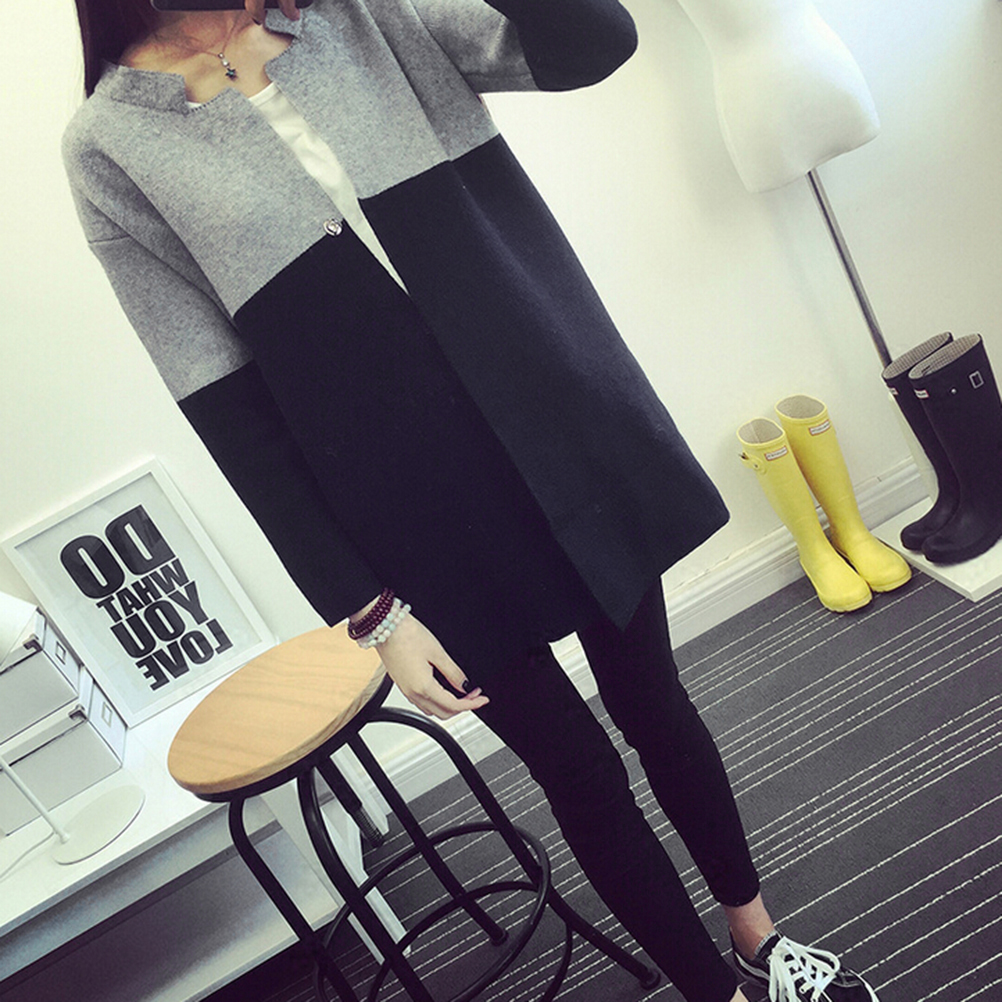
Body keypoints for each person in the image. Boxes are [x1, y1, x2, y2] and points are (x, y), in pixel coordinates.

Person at [63, 2, 879, 1000]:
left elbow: (592, 42)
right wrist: (371, 612)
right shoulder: (110, 144)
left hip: (558, 423)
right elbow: (224, 406)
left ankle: (759, 941)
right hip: (410, 516)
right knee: (576, 770)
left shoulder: (356, 14)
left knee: (654, 703)